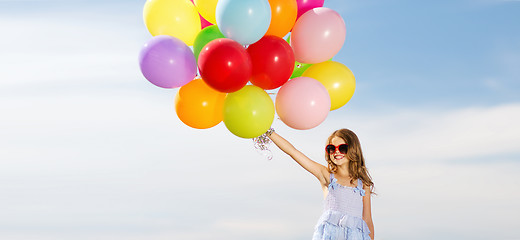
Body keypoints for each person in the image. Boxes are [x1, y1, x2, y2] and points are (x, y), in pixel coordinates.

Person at [266, 128, 375, 240]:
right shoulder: (327, 175)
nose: (336, 152)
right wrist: (269, 132)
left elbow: (367, 220)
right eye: (331, 149)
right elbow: (293, 152)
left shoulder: (363, 183)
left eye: (342, 148)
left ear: (353, 149)